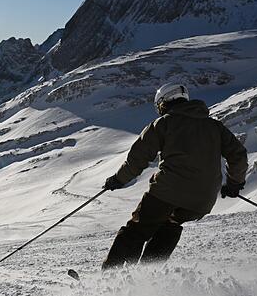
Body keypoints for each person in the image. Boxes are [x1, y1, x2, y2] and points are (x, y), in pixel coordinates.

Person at [101, 83, 248, 269]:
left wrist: (118, 179)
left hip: (167, 191)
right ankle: (147, 278)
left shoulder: (164, 123)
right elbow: (238, 155)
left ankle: (109, 277)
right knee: (169, 225)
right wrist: (234, 183)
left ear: (163, 102)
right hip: (202, 200)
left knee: (137, 230)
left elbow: (138, 157)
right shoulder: (214, 126)